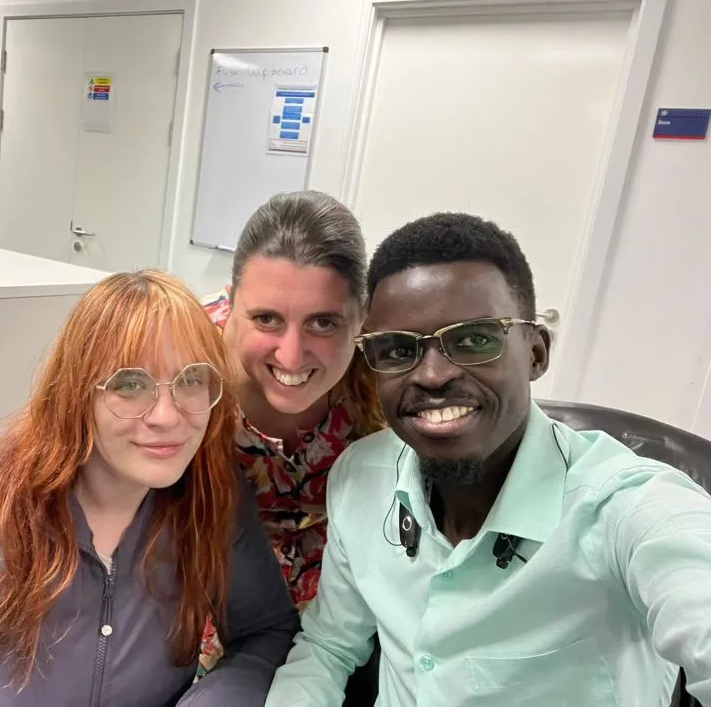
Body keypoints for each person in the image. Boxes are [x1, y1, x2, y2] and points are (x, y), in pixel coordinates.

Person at [266, 212, 711, 705]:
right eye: (398, 349)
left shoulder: (623, 508)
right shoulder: (360, 477)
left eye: (475, 339)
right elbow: (328, 646)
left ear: (537, 353)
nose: (432, 376)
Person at [0, 270, 299, 707]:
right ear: (77, 393)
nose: (167, 416)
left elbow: (266, 633)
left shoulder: (210, 495)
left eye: (192, 379)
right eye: (131, 384)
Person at [201, 191, 385, 702]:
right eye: (266, 319)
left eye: (324, 322)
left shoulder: (385, 373)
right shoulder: (184, 366)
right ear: (230, 303)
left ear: (362, 317)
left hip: (340, 616)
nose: (291, 353)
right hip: (206, 591)